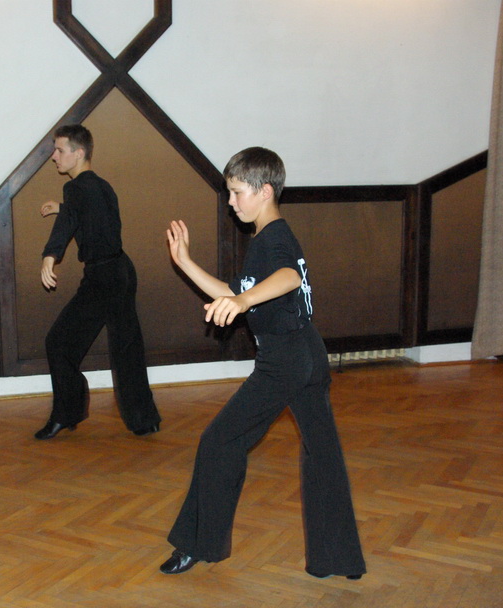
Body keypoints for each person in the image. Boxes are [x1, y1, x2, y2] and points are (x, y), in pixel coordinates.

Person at [159, 147, 366, 579]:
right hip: (308, 352)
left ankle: (197, 545)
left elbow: (288, 277)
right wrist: (185, 263)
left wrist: (243, 301)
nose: (231, 202)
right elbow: (231, 291)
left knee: (219, 442)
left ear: (265, 191)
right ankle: (338, 559)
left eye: (237, 192)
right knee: (323, 455)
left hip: (284, 359)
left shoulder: (273, 238)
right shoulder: (267, 239)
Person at [35, 124, 161, 440]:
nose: (54, 157)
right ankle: (145, 420)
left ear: (79, 153)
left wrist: (50, 254)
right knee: (127, 347)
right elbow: (94, 218)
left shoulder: (76, 188)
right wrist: (63, 209)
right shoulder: (101, 186)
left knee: (58, 342)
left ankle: (66, 414)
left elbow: (71, 221)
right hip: (121, 270)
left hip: (103, 277)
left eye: (59, 150)